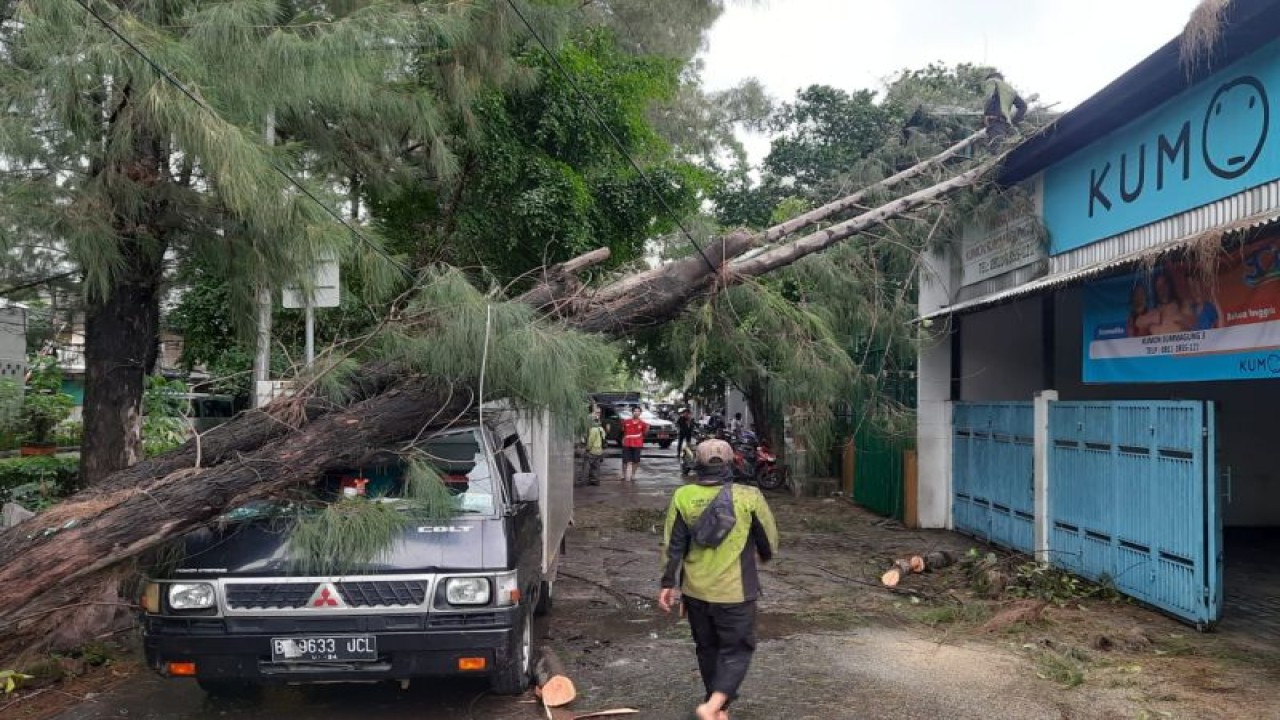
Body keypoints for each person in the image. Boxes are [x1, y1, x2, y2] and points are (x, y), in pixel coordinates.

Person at [658, 439, 778, 720]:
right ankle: (712, 706)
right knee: (737, 649)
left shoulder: (683, 496)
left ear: (698, 465)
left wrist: (667, 584)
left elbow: (673, 546)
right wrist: (762, 554)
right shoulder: (749, 496)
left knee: (707, 648)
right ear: (731, 463)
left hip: (696, 591)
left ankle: (719, 709)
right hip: (735, 592)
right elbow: (769, 542)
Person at [983, 71, 1027, 146]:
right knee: (1005, 146)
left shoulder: (992, 83)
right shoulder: (1010, 90)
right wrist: (1014, 121)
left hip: (995, 122)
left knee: (997, 146)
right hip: (1005, 124)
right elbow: (1023, 106)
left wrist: (987, 115)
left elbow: (989, 98)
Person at [619, 406, 648, 483]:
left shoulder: (643, 423)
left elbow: (645, 434)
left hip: (637, 444)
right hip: (627, 443)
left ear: (640, 413)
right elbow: (622, 431)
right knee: (625, 460)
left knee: (636, 460)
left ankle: (633, 475)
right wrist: (623, 439)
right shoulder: (626, 422)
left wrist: (647, 429)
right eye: (635, 411)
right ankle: (623, 474)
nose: (637, 412)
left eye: (638, 411)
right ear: (632, 412)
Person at [581, 414, 606, 486]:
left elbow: (590, 441)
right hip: (599, 451)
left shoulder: (593, 430)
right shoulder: (601, 429)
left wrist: (587, 449)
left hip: (592, 451)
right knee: (596, 467)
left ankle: (583, 481)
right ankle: (596, 481)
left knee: (586, 466)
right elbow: (604, 438)